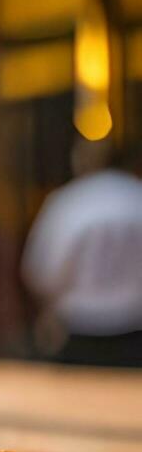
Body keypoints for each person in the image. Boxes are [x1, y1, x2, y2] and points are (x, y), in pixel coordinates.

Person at [21, 140, 142, 366]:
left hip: (81, 329)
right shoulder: (137, 196)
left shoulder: (69, 202)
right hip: (134, 329)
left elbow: (41, 270)